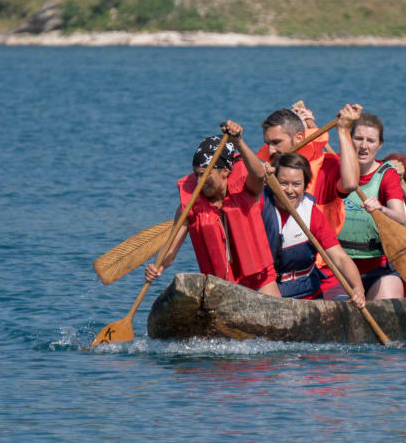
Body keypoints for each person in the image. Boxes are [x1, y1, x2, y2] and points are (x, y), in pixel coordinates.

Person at [145, 121, 282, 297]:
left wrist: (238, 141)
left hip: (260, 283)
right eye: (197, 174)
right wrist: (157, 266)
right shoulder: (189, 208)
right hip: (221, 291)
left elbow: (259, 174)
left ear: (225, 171)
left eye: (206, 174)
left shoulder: (247, 190)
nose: (200, 180)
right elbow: (170, 249)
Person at [260, 152, 366, 308]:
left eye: (296, 184)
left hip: (307, 294)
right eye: (283, 183)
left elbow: (339, 257)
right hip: (266, 291)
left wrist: (358, 288)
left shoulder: (312, 213)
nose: (289, 190)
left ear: (305, 185)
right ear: (272, 182)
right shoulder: (260, 202)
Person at [335, 113, 406, 301]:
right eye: (358, 138)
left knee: (390, 298)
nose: (363, 146)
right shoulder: (335, 166)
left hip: (377, 269)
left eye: (370, 140)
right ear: (349, 140)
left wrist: (381, 209)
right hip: (336, 267)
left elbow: (399, 216)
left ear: (379, 145)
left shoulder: (387, 174)